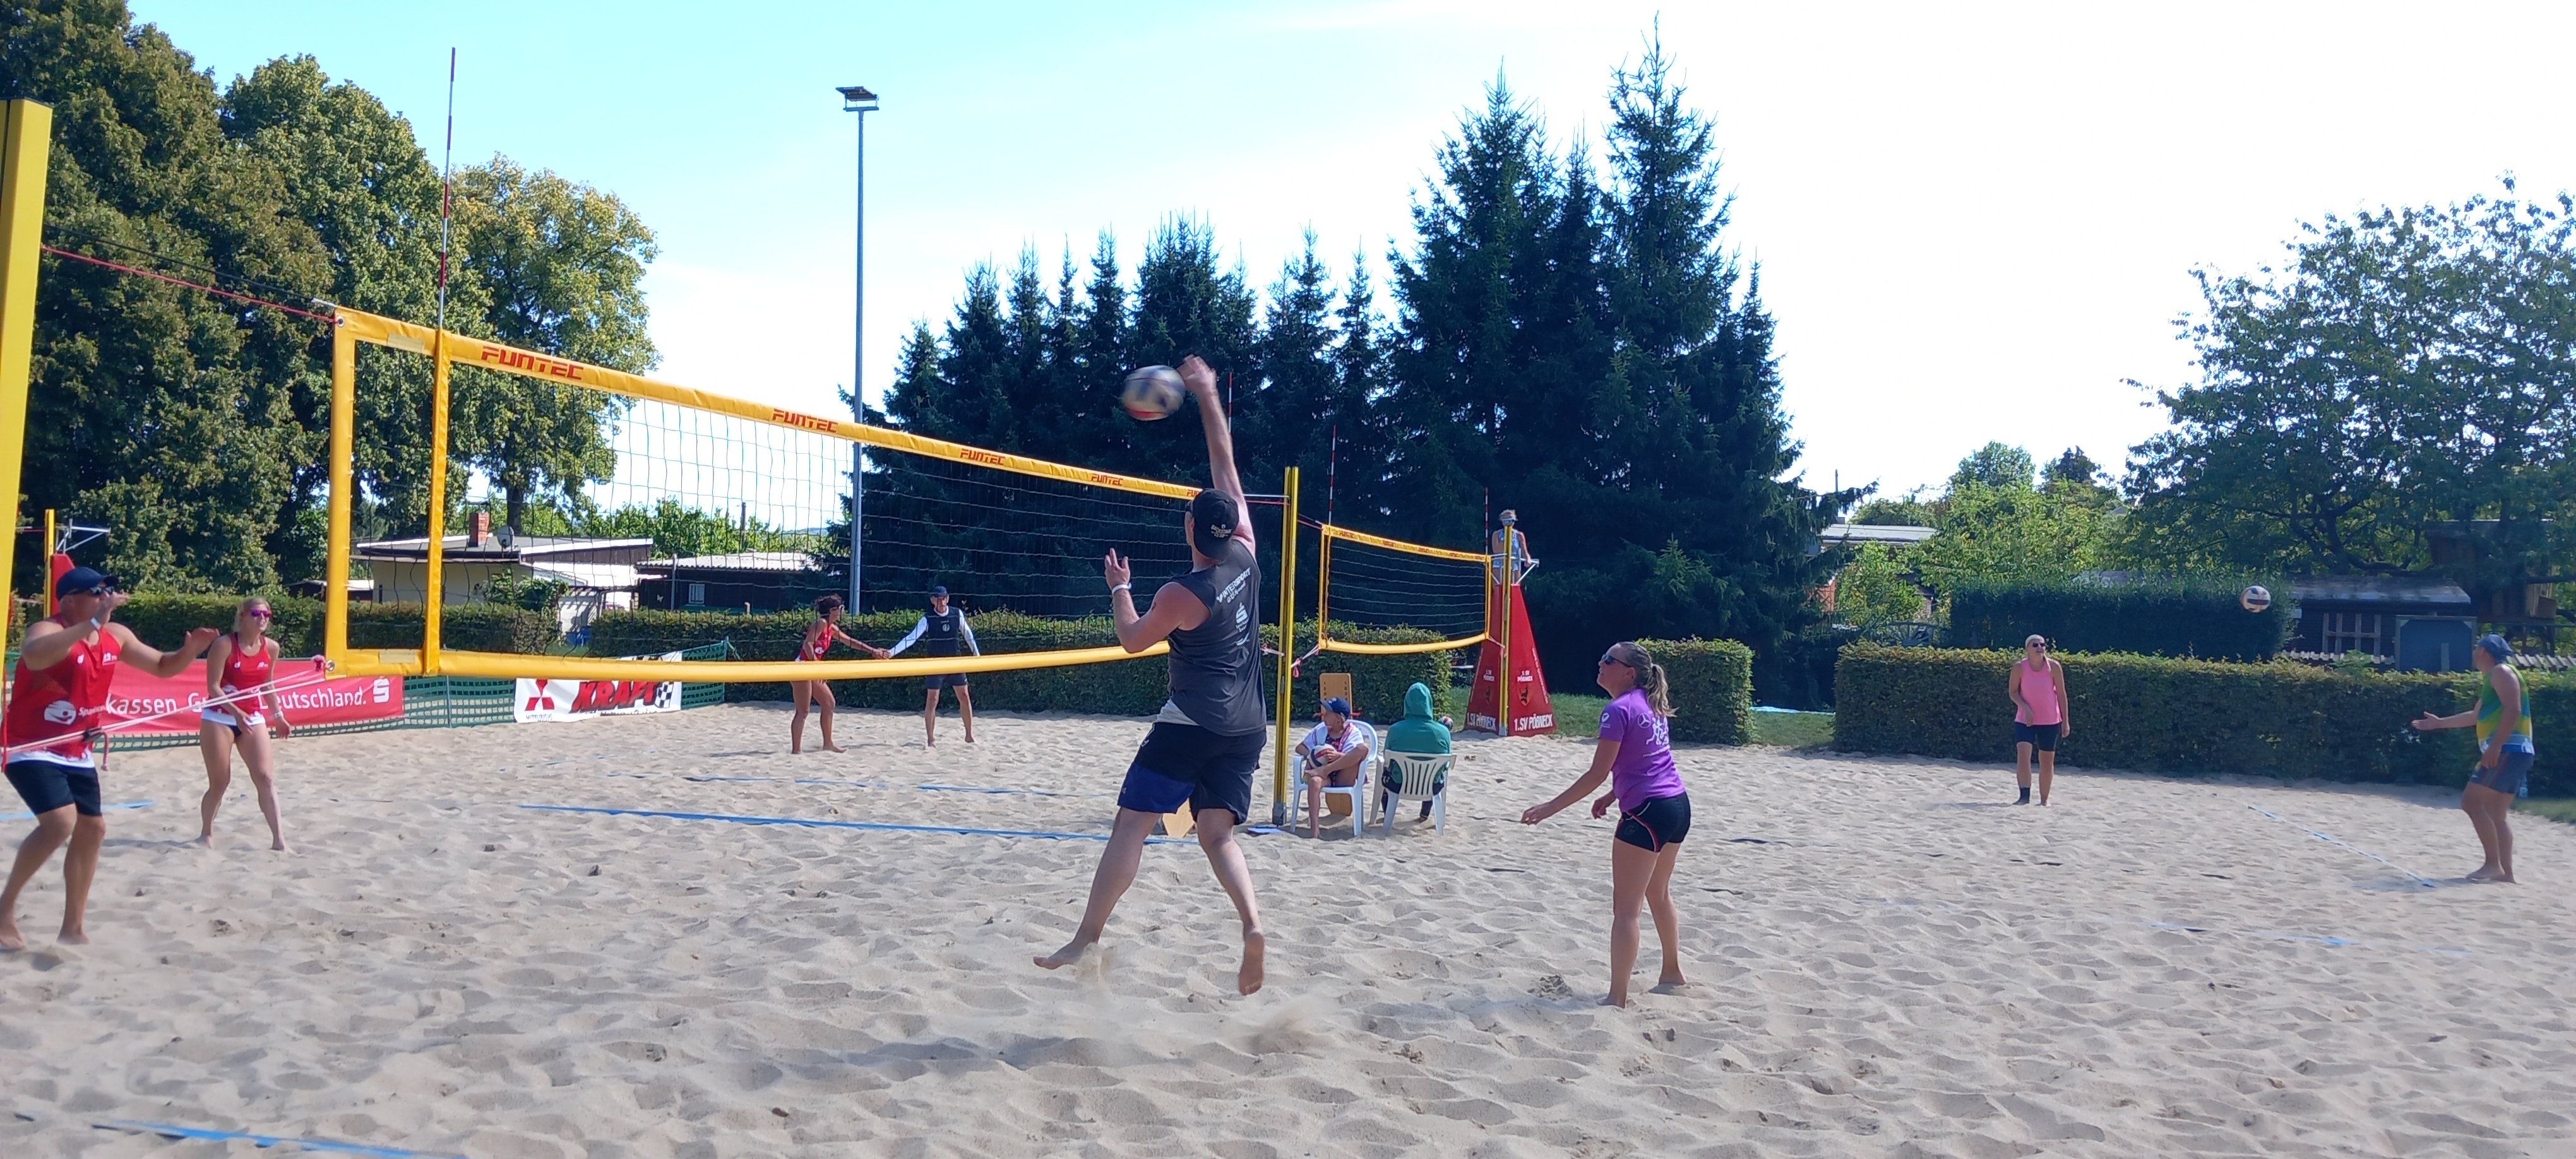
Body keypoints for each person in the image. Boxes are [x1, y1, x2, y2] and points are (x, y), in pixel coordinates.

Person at [1036, 354, 1268, 995]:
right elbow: (1224, 460)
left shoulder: (1181, 593)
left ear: (1190, 527)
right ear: (1231, 528)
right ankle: (1252, 924)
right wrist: (1208, 394)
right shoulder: (1247, 556)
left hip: (1192, 723)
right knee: (1216, 833)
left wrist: (1120, 588)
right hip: (1248, 726)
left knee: (1132, 823)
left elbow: (1133, 640)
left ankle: (1086, 937)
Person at [1, 568, 218, 950]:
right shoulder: (47, 629)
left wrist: (189, 651)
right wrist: (90, 624)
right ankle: (4, 909)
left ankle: (72, 927)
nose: (107, 596)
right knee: (60, 822)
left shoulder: (115, 635)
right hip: (30, 745)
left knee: (94, 829)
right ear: (70, 601)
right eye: (98, 591)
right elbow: (34, 657)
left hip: (77, 749)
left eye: (109, 590)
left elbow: (162, 666)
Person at [1520, 641, 1689, 1007]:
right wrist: (1614, 795)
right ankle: (1672, 972)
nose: (1600, 662)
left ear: (1628, 672)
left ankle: (1617, 997)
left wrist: (1550, 808)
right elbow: (1647, 759)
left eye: (1609, 660)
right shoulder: (1651, 702)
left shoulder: (1617, 710)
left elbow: (1597, 773)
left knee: (1626, 910)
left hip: (1647, 813)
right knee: (1659, 893)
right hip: (1677, 805)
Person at [2412, 634, 2532, 884]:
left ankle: (2493, 865)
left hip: (2508, 749)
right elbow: (2475, 716)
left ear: (2485, 652)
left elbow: (2514, 709)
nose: (2474, 651)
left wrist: (2495, 746)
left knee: (2471, 802)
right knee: (2496, 813)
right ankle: (2506, 873)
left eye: (2477, 647)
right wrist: (2439, 723)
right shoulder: (2492, 679)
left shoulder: (2501, 672)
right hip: (2515, 751)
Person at [196, 597, 294, 851]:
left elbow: (267, 684)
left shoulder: (271, 647)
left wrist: (278, 716)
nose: (262, 618)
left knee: (265, 777)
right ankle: (206, 833)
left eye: (266, 615)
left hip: (252, 716)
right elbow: (213, 687)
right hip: (219, 716)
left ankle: (279, 841)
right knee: (220, 782)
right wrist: (236, 712)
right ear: (243, 617)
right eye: (256, 614)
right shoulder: (224, 644)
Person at [790, 595, 888, 754]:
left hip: (813, 667)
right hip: (803, 667)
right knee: (803, 711)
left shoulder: (831, 627)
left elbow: (850, 641)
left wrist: (873, 651)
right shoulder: (821, 623)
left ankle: (828, 744)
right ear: (833, 610)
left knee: (829, 703)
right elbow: (807, 645)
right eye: (841, 608)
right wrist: (817, 666)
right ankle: (796, 751)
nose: (843, 610)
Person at [886, 585, 979, 747]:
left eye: (943, 598)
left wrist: (976, 654)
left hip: (955, 661)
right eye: (938, 599)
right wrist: (892, 652)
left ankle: (969, 736)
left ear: (947, 599)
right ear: (932, 600)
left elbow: (967, 634)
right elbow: (911, 638)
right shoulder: (928, 619)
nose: (941, 602)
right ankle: (931, 739)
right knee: (932, 700)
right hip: (935, 663)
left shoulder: (956, 613)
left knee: (965, 696)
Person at [1292, 696, 1376, 838]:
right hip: (1324, 776)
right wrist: (1313, 755)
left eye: (1328, 713)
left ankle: (1324, 770)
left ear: (1338, 718)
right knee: (1314, 782)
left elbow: (1356, 756)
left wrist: (1339, 756)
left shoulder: (1353, 732)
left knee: (1363, 749)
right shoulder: (1321, 729)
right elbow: (1300, 747)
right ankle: (1315, 831)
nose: (1324, 715)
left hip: (1343, 775)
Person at [2007, 634, 2070, 805]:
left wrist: (2065, 721)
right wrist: (2025, 707)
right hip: (2025, 720)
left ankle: (2044, 800)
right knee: (2023, 756)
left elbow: (2061, 694)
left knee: (2047, 761)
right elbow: (2013, 692)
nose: (2040, 647)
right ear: (2027, 648)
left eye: (2042, 644)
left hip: (2050, 720)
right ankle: (2024, 797)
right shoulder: (2019, 667)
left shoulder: (2054, 667)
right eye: (2035, 645)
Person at [1382, 681, 1452, 823]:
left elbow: (1387, 760)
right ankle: (1424, 815)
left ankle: (1387, 817)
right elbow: (1446, 765)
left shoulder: (1395, 730)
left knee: (1385, 776)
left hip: (1398, 784)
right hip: (1432, 786)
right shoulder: (1443, 732)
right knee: (1434, 773)